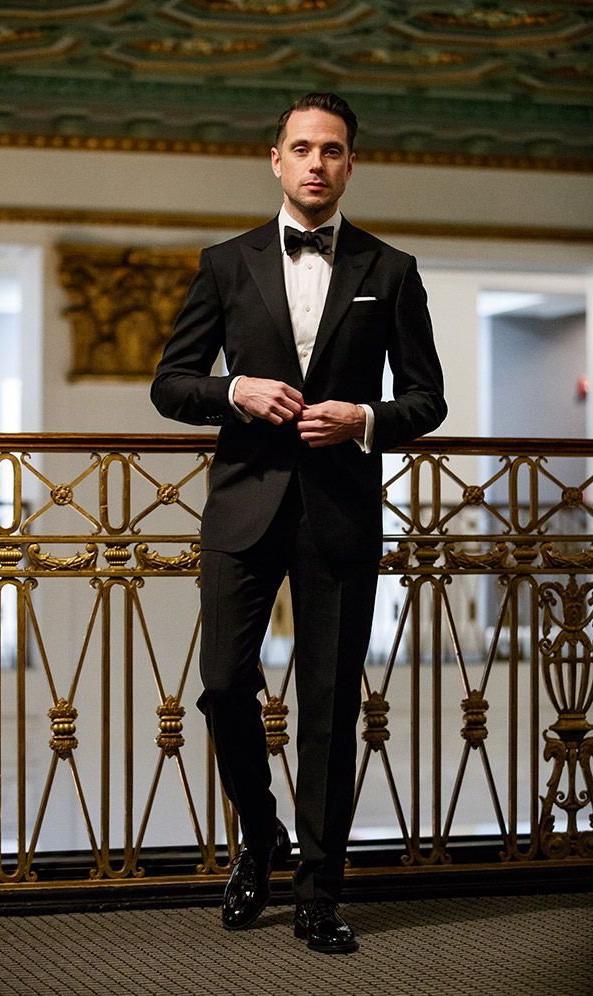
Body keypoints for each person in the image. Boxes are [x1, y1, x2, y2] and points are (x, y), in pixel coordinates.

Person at [151, 92, 446, 953]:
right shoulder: (225, 262)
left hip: (341, 516)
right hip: (242, 509)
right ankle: (262, 838)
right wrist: (234, 392)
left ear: (350, 165)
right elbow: (172, 384)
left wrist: (363, 420)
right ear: (274, 160)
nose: (317, 163)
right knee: (220, 687)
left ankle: (319, 891)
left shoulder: (391, 271)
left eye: (334, 150)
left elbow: (427, 398)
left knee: (327, 710)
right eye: (302, 148)